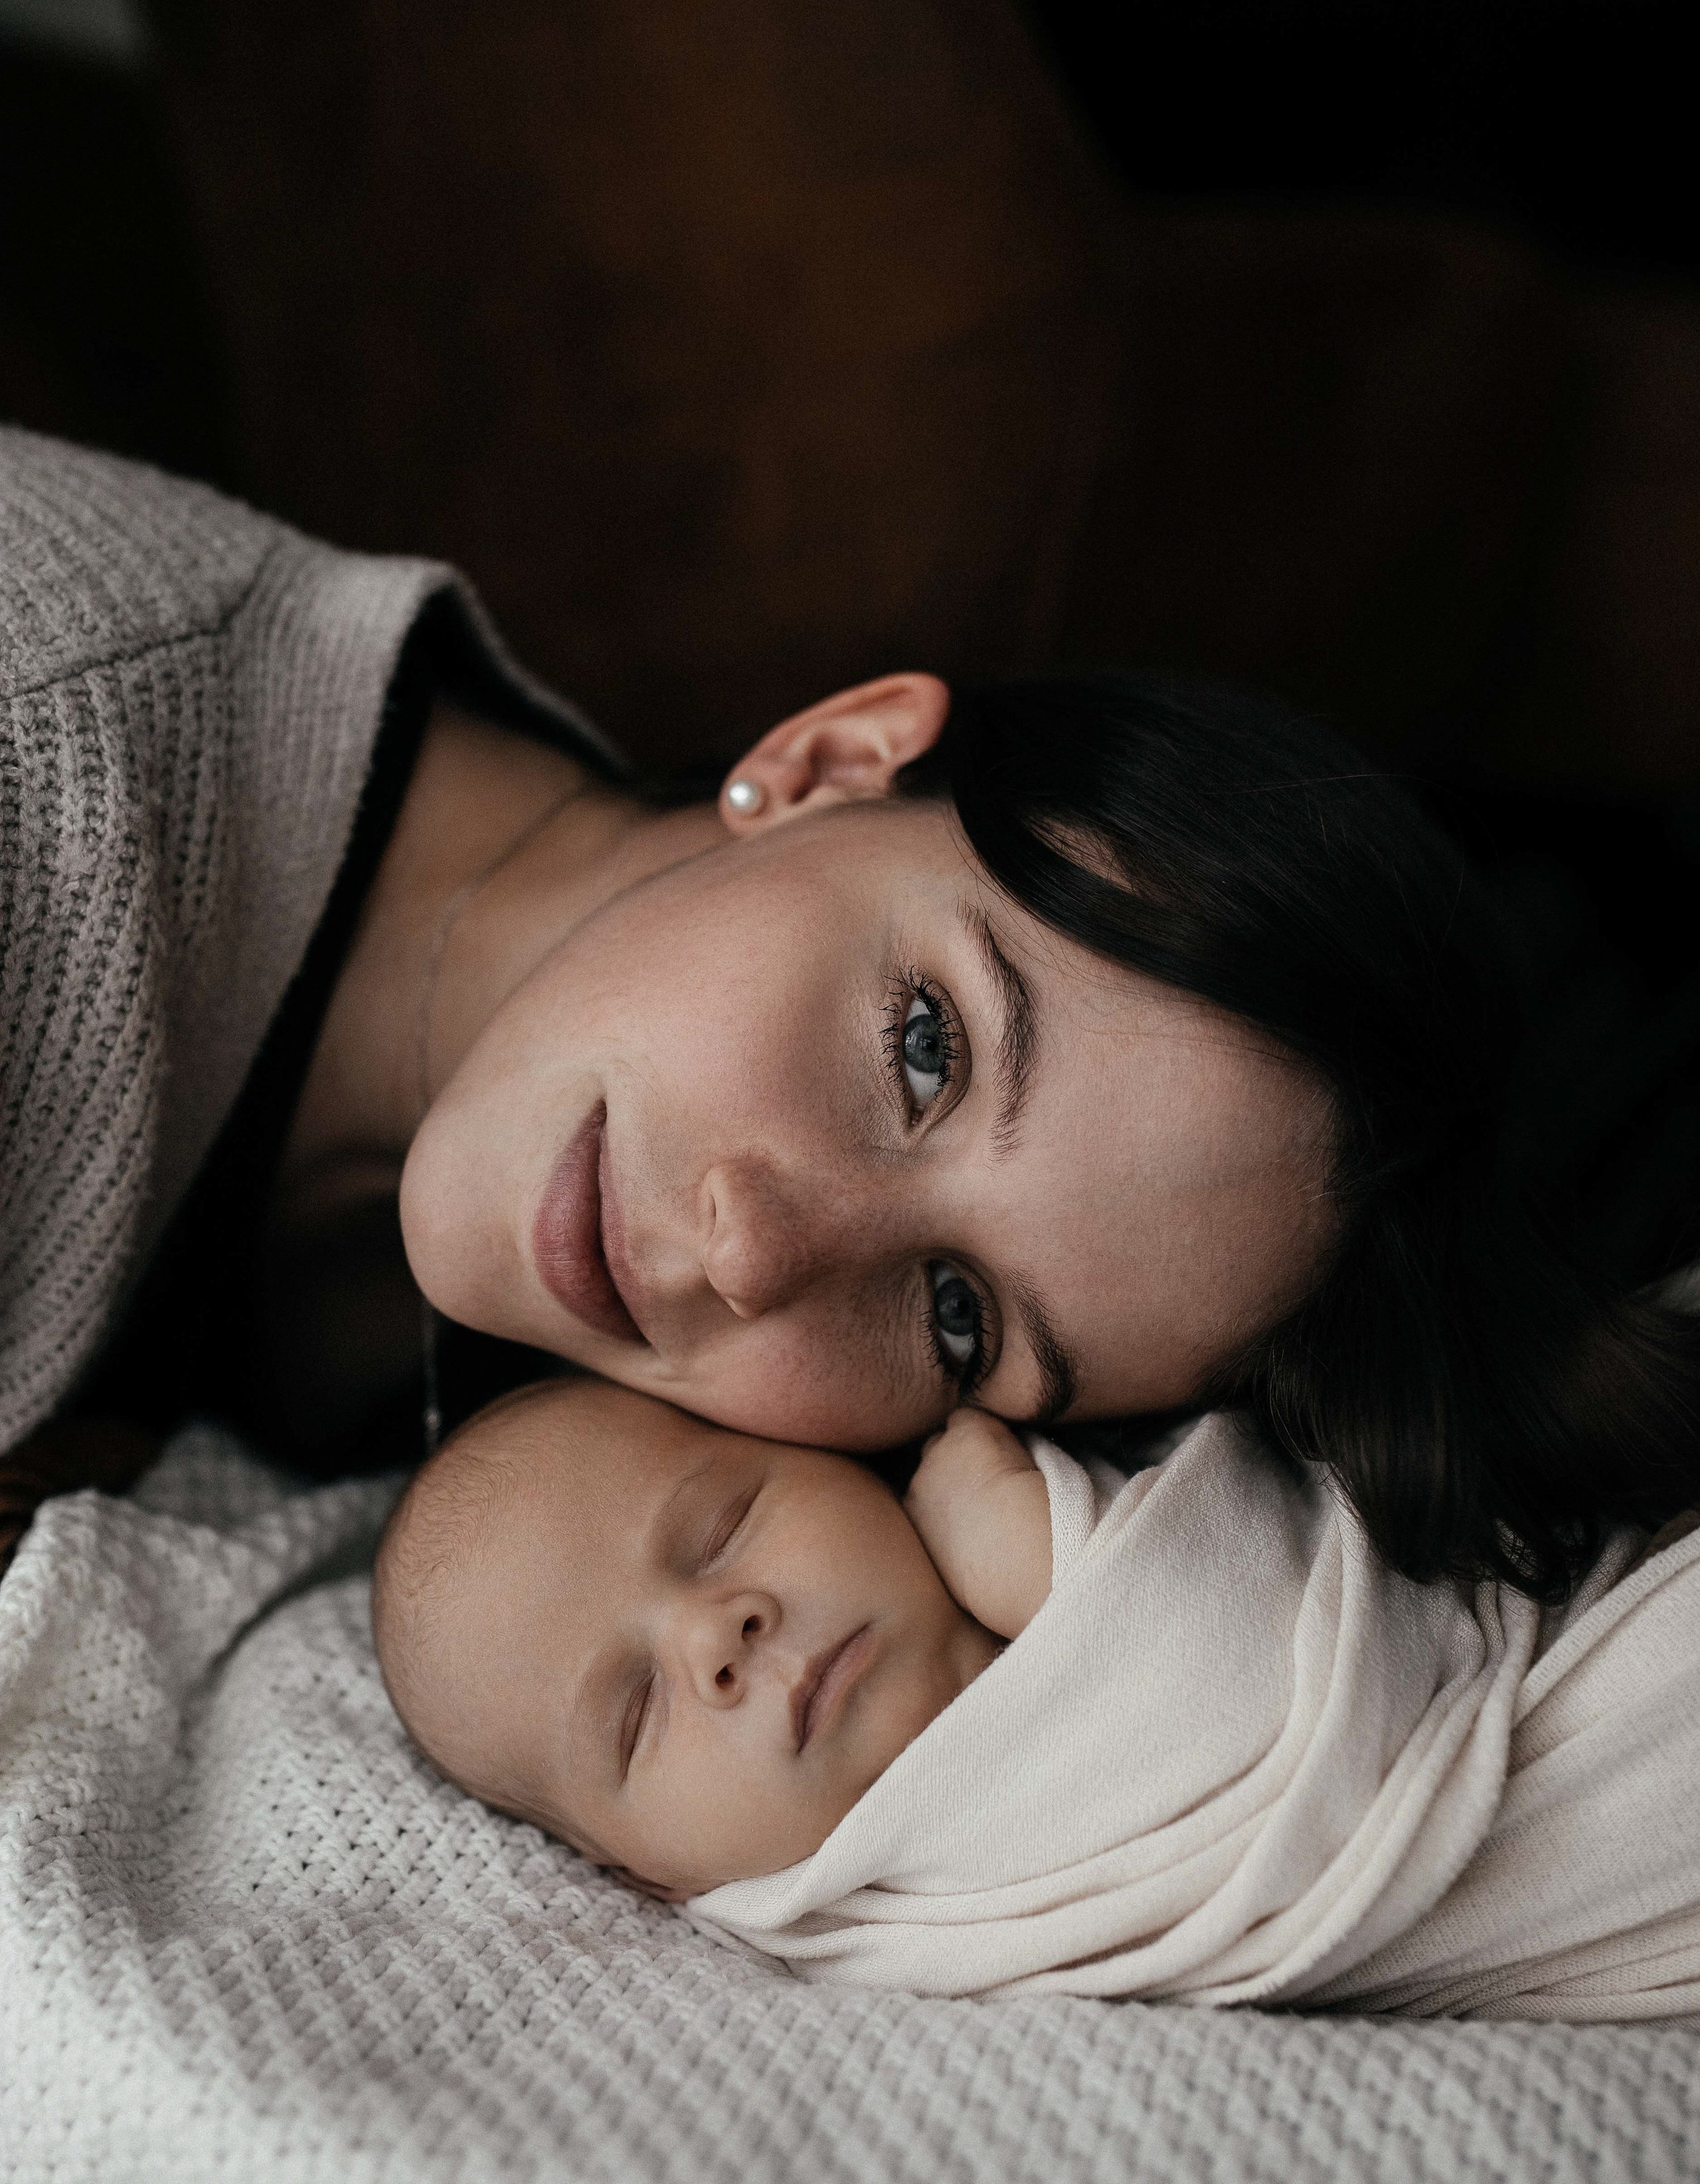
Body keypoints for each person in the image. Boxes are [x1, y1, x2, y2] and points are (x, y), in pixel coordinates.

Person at [1, 426, 1695, 1600]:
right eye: (924, 1047)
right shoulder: (42, 762)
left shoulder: (599, 1466)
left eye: (958, 1320)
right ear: (821, 762)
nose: (754, 1256)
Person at [371, 1373, 1700, 2019]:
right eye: (634, 1716)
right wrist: (1029, 1545)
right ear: (645, 1877)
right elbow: (1275, 1742)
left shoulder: (1084, 1472)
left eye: (724, 1524)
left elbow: (1355, 1584)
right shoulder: (857, 1939)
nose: (719, 1632)